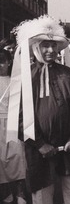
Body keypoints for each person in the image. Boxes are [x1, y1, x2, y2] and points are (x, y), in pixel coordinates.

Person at [8, 15, 70, 204]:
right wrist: (39, 144)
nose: (50, 50)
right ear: (36, 47)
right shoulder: (26, 77)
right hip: (39, 149)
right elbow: (18, 115)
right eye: (45, 45)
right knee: (42, 193)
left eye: (53, 46)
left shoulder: (69, 74)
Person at [0, 49, 27, 204]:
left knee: (16, 156)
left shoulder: (15, 80)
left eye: (3, 60)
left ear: (9, 62)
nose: (0, 64)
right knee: (0, 158)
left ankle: (20, 193)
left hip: (11, 122)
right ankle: (6, 193)